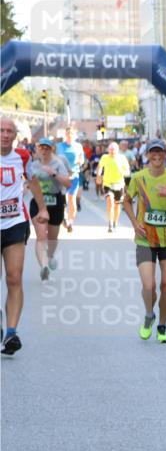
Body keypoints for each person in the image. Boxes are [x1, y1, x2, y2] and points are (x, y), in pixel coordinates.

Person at [120, 139, 166, 343]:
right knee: (149, 286)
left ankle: (162, 325)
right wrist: (135, 223)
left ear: (165, 155)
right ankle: (149, 314)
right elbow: (126, 200)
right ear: (148, 155)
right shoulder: (138, 177)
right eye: (153, 152)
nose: (157, 155)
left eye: (160, 152)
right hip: (145, 239)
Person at [1, 118, 46, 355]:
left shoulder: (23, 156)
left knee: (14, 277)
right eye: (1, 130)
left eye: (10, 131)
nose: (5, 135)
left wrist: (43, 208)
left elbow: (33, 181)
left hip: (15, 222)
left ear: (15, 135)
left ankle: (11, 333)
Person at [29, 138, 71, 281]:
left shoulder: (58, 163)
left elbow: (68, 184)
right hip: (38, 202)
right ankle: (44, 266)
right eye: (41, 147)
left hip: (55, 202)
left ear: (52, 149)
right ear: (37, 149)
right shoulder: (32, 165)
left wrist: (54, 173)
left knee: (52, 238)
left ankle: (50, 255)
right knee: (41, 236)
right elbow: (26, 181)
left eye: (47, 148)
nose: (44, 150)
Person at [96, 142, 131, 233]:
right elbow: (100, 167)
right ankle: (110, 223)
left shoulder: (122, 158)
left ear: (117, 150)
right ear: (108, 150)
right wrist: (98, 175)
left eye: (114, 149)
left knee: (117, 205)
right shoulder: (104, 157)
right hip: (108, 184)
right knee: (110, 201)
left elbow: (127, 171)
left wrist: (123, 172)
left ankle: (115, 222)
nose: (112, 151)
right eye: (110, 149)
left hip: (119, 184)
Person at [55, 126, 85, 233]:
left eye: (72, 133)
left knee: (72, 200)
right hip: (62, 176)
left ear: (74, 135)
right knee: (63, 200)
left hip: (74, 176)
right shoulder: (59, 146)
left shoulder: (78, 146)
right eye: (68, 133)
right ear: (65, 134)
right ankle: (64, 217)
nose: (70, 135)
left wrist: (80, 162)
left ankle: (71, 222)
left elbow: (82, 159)